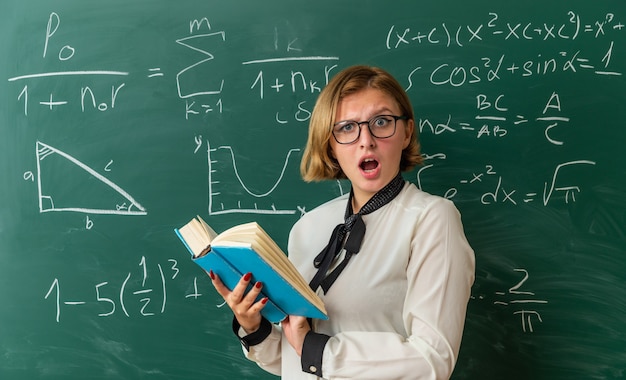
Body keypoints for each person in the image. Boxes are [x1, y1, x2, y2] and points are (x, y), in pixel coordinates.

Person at [209, 65, 475, 379]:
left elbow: (433, 359)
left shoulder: (432, 218)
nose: (367, 140)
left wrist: (314, 349)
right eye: (347, 128)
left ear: (406, 132)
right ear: (331, 146)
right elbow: (294, 359)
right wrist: (253, 326)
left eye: (381, 122)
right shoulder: (308, 227)